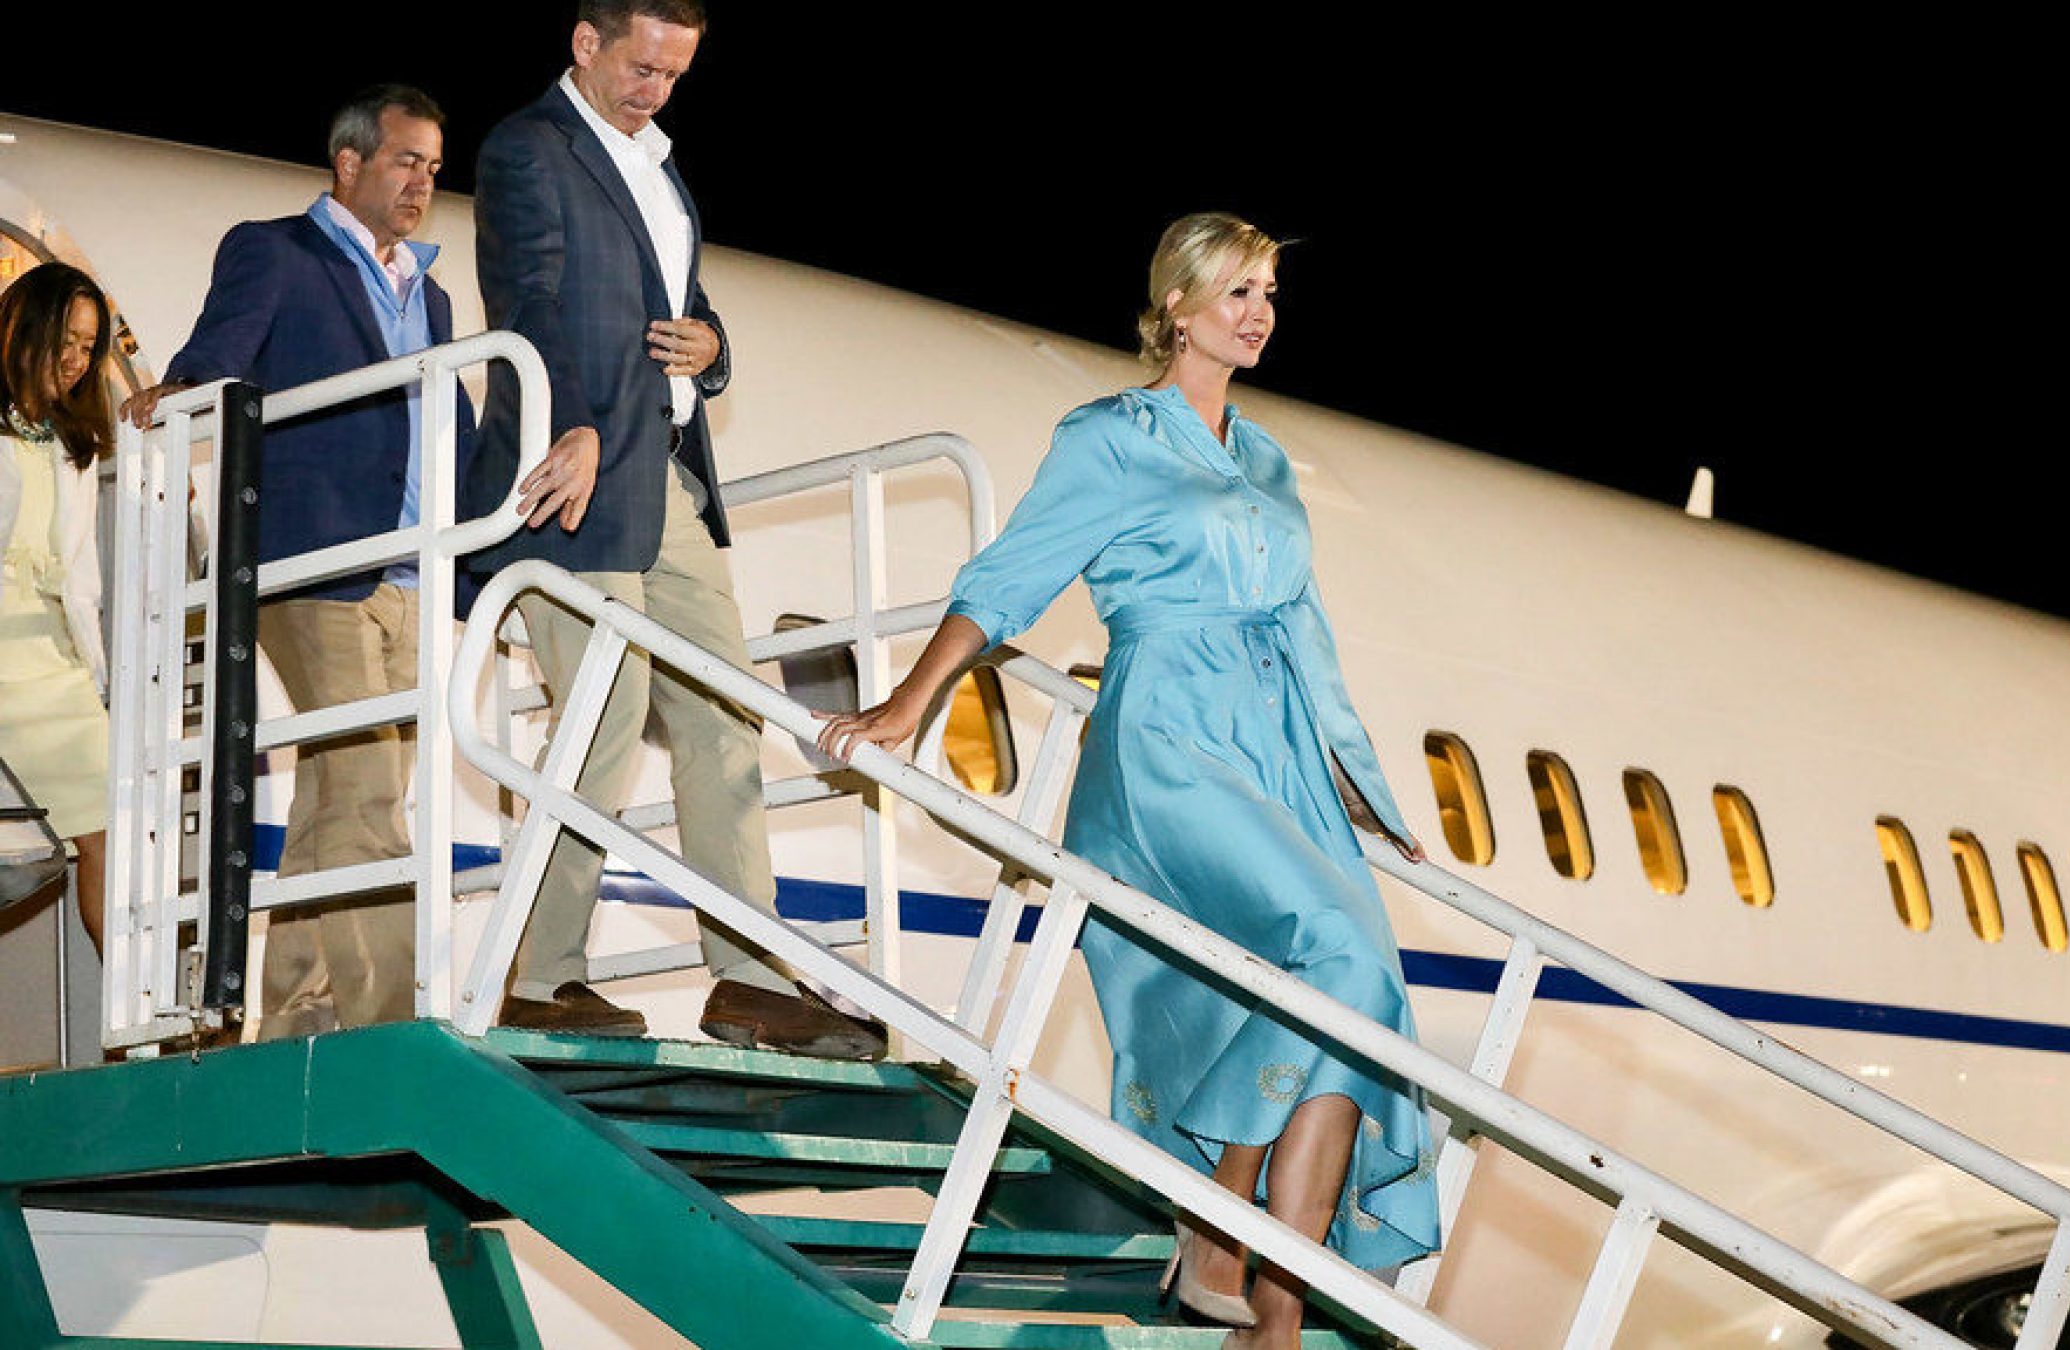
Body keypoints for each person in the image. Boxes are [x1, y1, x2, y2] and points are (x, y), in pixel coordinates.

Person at [818, 213, 1442, 1345]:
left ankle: (1278, 1308)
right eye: (1237, 291)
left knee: (1365, 985)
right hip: (1165, 735)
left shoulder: (1261, 457)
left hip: (1276, 744)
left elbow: (1303, 621)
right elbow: (1012, 576)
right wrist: (914, 703)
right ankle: (1217, 1226)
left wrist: (1352, 774)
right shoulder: (1110, 435)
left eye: (1267, 292)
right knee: (1336, 949)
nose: (1258, 312)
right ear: (1179, 305)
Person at [464, 0, 881, 1059]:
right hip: (576, 470)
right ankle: (541, 975)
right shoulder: (529, 150)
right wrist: (582, 426)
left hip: (663, 477)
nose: (654, 89)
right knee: (605, 715)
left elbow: (682, 304)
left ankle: (746, 978)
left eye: (674, 74)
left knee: (722, 716)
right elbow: (532, 303)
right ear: (585, 42)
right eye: (640, 66)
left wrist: (713, 349)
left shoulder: (657, 166)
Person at [122, 84, 472, 1039]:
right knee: (363, 790)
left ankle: (291, 1020)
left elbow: (448, 425)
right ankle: (392, 1027)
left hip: (405, 572)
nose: (422, 184)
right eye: (406, 162)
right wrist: (182, 390)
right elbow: (220, 354)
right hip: (311, 563)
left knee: (339, 795)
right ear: (349, 162)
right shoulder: (274, 250)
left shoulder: (430, 293)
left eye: (434, 169)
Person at [0, 263, 113, 957]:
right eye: (64, 340)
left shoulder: (78, 448)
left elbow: (82, 578)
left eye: (88, 347)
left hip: (57, 669)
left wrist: (94, 673)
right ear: (21, 331)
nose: (75, 360)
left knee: (112, 834)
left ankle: (139, 1033)